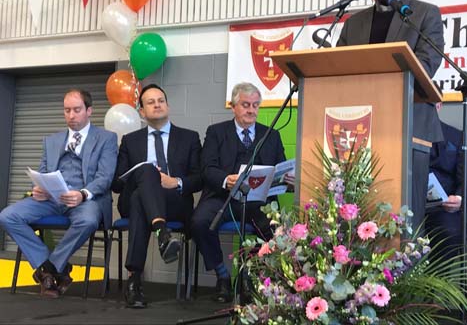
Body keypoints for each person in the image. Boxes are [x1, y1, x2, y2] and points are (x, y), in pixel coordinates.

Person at [337, 0, 445, 229]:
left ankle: (407, 258)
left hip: (410, 126)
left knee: (406, 215)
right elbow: (337, 69)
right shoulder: (353, 23)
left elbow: (426, 65)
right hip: (359, 128)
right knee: (358, 214)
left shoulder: (424, 14)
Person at [0, 89, 117, 298]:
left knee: (88, 221)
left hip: (85, 199)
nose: (71, 115)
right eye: (67, 110)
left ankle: (49, 268)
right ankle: (53, 267)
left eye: (77, 110)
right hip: (52, 199)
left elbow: (105, 177)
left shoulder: (106, 138)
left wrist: (82, 194)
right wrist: (39, 187)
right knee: (7, 216)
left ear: (89, 110)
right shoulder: (51, 140)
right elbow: (43, 170)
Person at [191, 82, 287, 303]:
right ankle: (222, 276)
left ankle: (250, 273)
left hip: (258, 201)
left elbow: (280, 166)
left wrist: (286, 178)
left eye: (255, 105)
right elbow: (207, 168)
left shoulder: (271, 134)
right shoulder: (216, 132)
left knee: (277, 229)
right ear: (233, 106)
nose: (251, 110)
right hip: (222, 197)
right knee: (199, 222)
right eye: (245, 105)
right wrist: (226, 180)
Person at [112, 84, 202, 309]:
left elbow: (200, 178)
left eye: (161, 100)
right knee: (145, 176)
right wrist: (143, 176)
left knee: (139, 201)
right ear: (142, 111)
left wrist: (176, 182)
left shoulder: (189, 138)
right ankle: (162, 232)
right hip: (136, 197)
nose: (157, 105)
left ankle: (134, 280)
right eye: (150, 102)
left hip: (175, 201)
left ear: (168, 106)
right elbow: (117, 183)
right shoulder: (130, 140)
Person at [426, 105, 467, 262]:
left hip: (442, 208)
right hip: (407, 204)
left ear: (439, 105)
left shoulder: (457, 136)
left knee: (449, 232)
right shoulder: (401, 132)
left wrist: (460, 199)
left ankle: (436, 277)